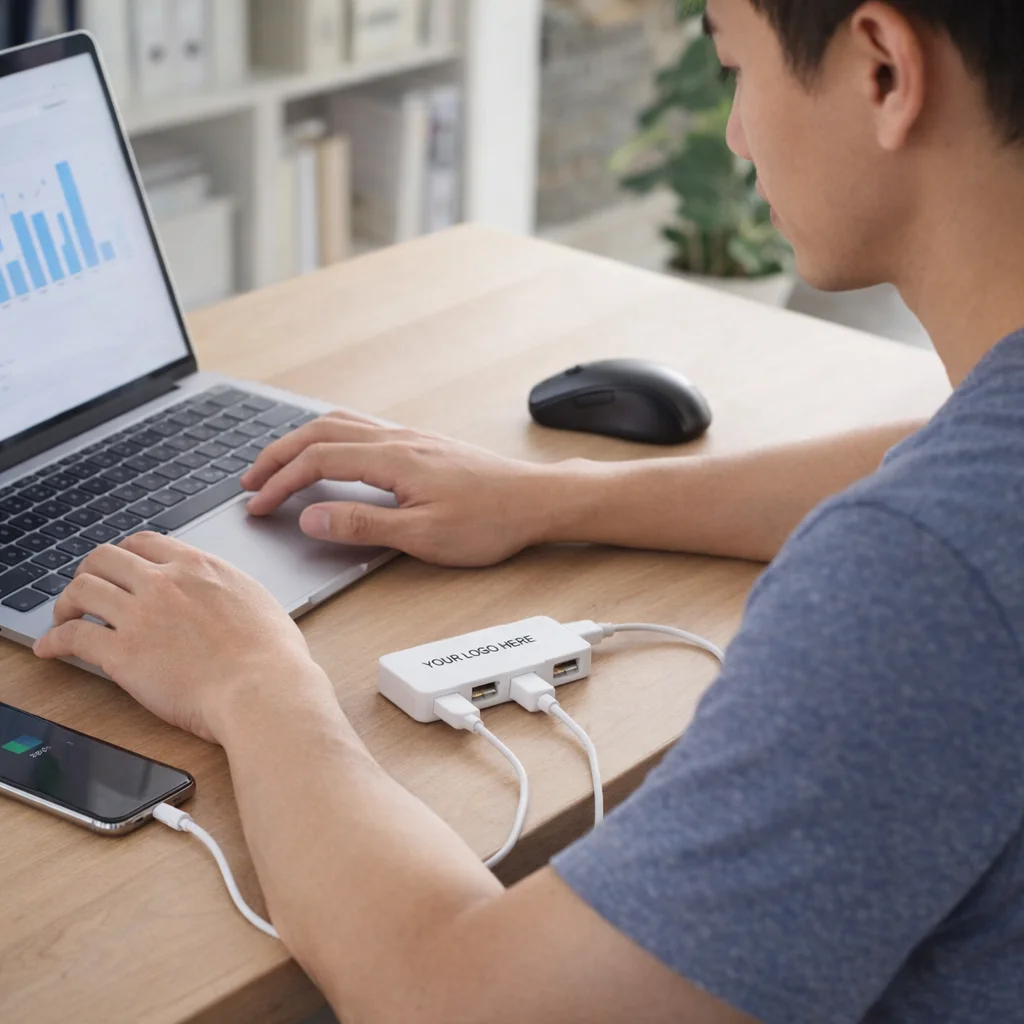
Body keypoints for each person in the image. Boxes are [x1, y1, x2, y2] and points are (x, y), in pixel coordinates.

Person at [34, 0, 1024, 1020]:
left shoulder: (919, 578)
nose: (734, 130)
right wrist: (553, 497)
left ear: (884, 73)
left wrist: (254, 684)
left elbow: (459, 1000)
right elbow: (941, 458)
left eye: (735, 65)